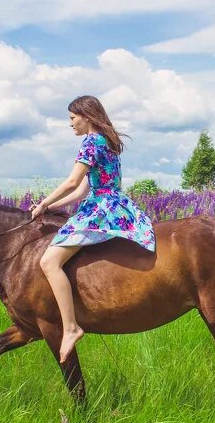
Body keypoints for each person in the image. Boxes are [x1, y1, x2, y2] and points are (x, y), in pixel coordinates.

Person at [30, 95, 156, 361]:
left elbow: (73, 182)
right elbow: (82, 191)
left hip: (100, 210)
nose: (71, 124)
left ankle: (71, 327)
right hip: (115, 204)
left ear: (86, 116)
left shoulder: (90, 141)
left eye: (73, 118)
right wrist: (52, 209)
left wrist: (44, 202)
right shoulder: (108, 143)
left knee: (49, 262)